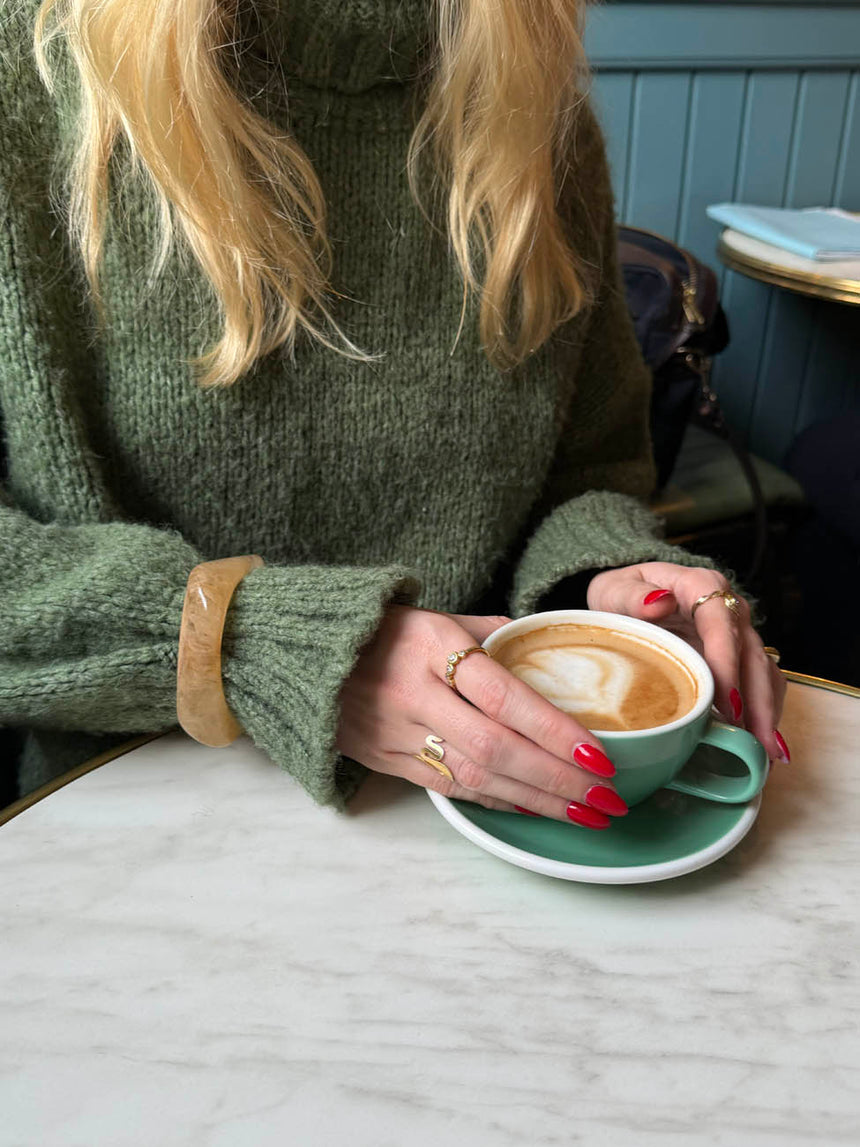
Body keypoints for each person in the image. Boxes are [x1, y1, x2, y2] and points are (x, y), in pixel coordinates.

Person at [0, 0, 787, 824]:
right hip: (118, 818)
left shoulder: (534, 105)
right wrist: (259, 647)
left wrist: (612, 577)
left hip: (486, 812)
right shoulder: (38, 62)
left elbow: (588, 471)